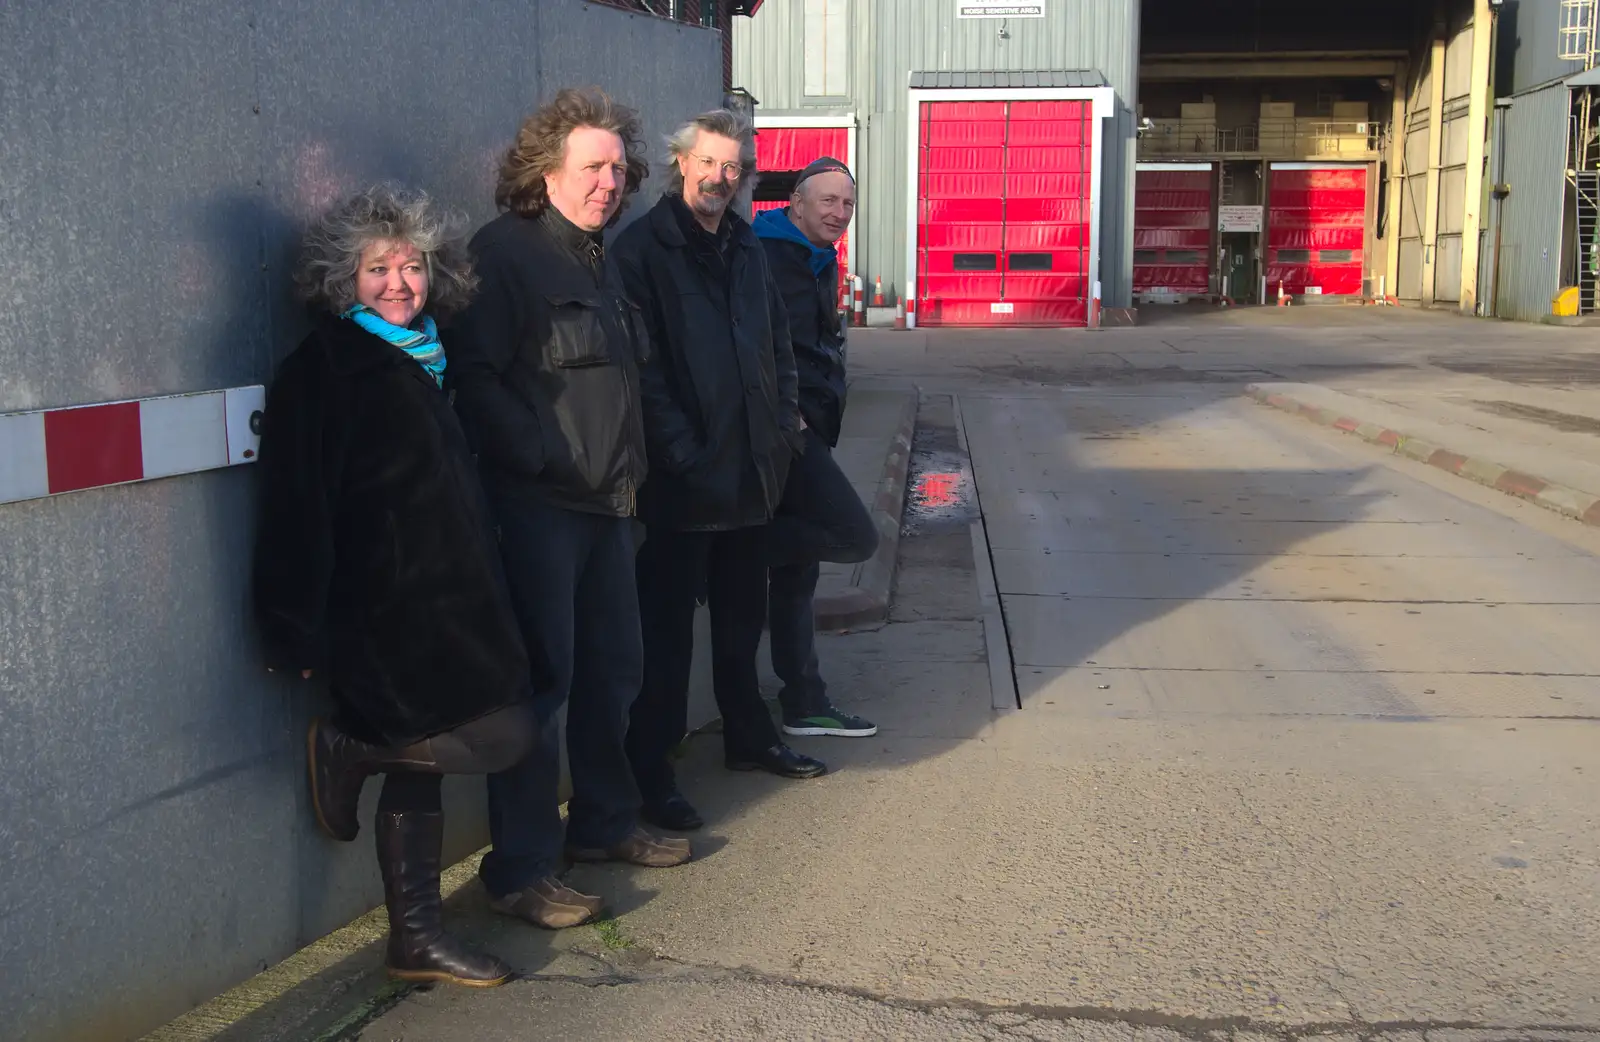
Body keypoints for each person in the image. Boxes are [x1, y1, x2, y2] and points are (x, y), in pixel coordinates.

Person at [253, 184, 535, 988]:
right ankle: (349, 747)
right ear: (344, 280)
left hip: (453, 603)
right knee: (503, 737)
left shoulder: (429, 355)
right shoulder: (328, 367)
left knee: (429, 765)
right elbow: (294, 503)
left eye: (413, 267)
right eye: (379, 269)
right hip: (383, 612)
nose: (400, 285)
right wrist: (291, 625)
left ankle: (415, 939)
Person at [448, 87, 690, 931]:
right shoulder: (503, 256)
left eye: (620, 170)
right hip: (542, 509)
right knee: (542, 686)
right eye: (593, 167)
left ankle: (603, 823)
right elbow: (473, 379)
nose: (609, 183)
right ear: (545, 171)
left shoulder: (603, 257)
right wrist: (542, 458)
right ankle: (518, 868)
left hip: (609, 508)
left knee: (614, 672)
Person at [611, 109, 827, 834]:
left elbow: (778, 344)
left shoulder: (745, 243)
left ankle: (749, 736)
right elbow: (642, 370)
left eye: (733, 167)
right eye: (708, 163)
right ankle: (652, 771)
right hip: (681, 484)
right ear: (681, 163)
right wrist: (686, 454)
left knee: (742, 622)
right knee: (666, 639)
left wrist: (782, 431)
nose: (720, 178)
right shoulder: (642, 249)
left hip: (752, 472)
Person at [752, 157, 880, 739]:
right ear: (796, 203)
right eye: (827, 201)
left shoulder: (818, 257)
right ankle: (737, 546)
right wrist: (786, 412)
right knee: (855, 535)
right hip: (784, 434)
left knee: (798, 576)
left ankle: (805, 701)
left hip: (813, 427)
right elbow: (753, 344)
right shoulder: (764, 255)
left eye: (847, 204)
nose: (838, 213)